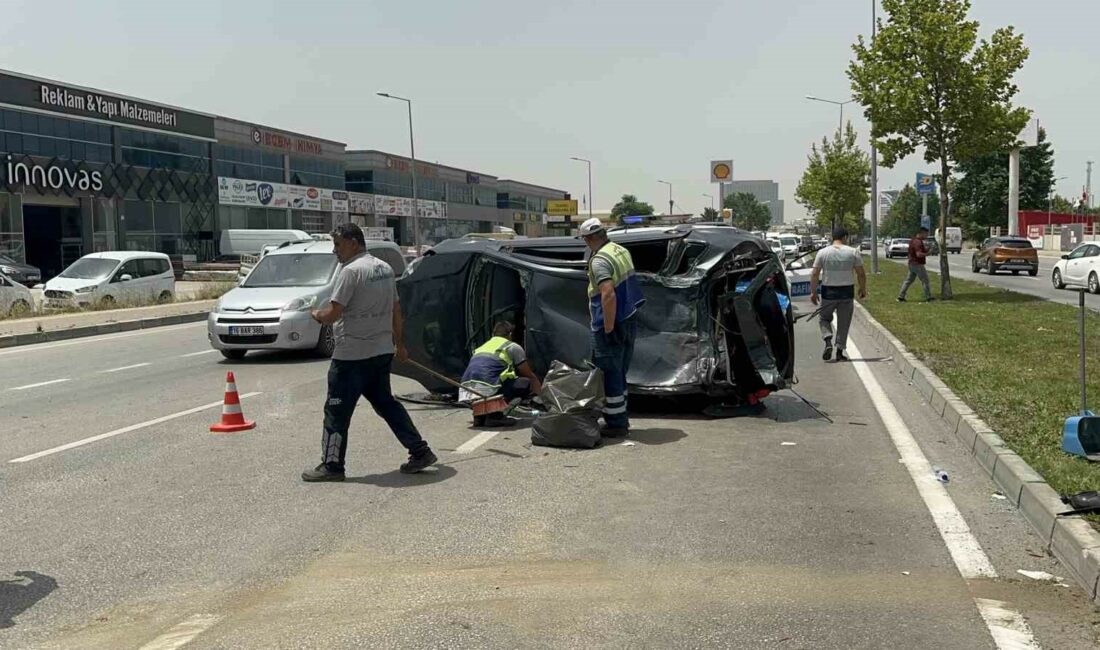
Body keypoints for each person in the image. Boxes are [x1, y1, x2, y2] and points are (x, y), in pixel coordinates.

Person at [301, 223, 436, 482]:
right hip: (380, 353)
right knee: (387, 404)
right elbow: (396, 310)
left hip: (351, 357)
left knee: (336, 411)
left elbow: (333, 314)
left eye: (338, 244)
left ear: (353, 242)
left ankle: (332, 465)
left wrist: (315, 314)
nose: (335, 251)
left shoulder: (350, 272)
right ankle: (420, 450)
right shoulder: (383, 269)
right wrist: (400, 344)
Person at [578, 217, 645, 437]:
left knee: (610, 373)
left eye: (586, 239)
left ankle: (616, 423)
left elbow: (607, 294)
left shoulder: (599, 261)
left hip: (611, 323)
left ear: (589, 238)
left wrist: (607, 327)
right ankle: (621, 416)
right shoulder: (620, 250)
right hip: (629, 318)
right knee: (621, 370)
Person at [460, 321, 544, 425]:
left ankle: (480, 416)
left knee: (490, 383)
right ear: (510, 334)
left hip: (466, 392)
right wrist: (542, 399)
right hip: (488, 387)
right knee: (525, 383)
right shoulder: (512, 347)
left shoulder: (482, 347)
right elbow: (528, 374)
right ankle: (495, 415)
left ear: (493, 334)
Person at [810, 226, 867, 363]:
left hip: (828, 292)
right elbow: (861, 273)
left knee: (824, 318)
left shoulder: (823, 253)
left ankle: (828, 339)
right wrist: (862, 288)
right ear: (844, 238)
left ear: (832, 238)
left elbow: (814, 273)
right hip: (846, 292)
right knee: (844, 323)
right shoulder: (853, 252)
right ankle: (840, 352)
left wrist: (813, 292)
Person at [897, 227, 935, 303]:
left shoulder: (913, 240)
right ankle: (928, 297)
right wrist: (928, 253)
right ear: (921, 233)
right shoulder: (918, 242)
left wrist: (928, 249)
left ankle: (901, 297)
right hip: (918, 264)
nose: (927, 236)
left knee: (908, 281)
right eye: (926, 234)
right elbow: (919, 254)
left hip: (912, 263)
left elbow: (917, 251)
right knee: (925, 280)